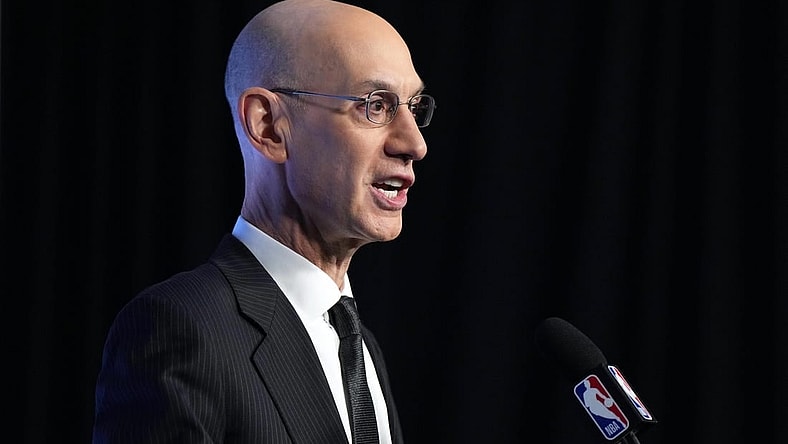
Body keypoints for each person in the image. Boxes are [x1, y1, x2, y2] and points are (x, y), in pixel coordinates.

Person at [91, 0, 435, 442]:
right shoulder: (182, 328)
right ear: (269, 126)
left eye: (413, 106)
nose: (414, 143)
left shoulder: (363, 347)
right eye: (375, 105)